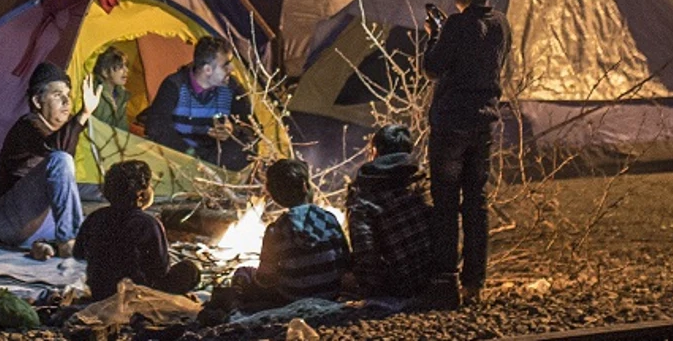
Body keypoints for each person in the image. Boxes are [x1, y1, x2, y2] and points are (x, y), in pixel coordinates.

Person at [422, 0, 510, 308]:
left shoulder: (457, 26)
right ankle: (475, 284)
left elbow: (433, 67)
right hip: (484, 121)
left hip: (451, 124)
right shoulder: (502, 23)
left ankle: (445, 282)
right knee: (477, 204)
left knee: (445, 205)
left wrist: (434, 36)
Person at [210, 159, 348, 311]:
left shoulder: (275, 230)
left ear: (273, 194)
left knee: (243, 272)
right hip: (331, 293)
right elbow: (345, 261)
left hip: (292, 298)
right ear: (304, 185)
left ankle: (235, 304)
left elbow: (265, 278)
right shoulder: (329, 218)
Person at [0, 62, 88, 259]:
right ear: (37, 100)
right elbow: (56, 150)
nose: (67, 102)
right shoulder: (28, 125)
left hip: (37, 224)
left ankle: (44, 246)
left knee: (97, 227)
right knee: (61, 159)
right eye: (58, 95)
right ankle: (66, 242)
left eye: (68, 95)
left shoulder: (58, 132)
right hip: (10, 220)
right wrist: (83, 114)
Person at [74, 160, 201, 298]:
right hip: (136, 294)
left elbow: (78, 253)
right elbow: (160, 270)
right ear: (140, 195)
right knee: (190, 270)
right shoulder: (148, 224)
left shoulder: (95, 217)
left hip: (100, 291)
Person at [141, 37, 254, 170]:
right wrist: (194, 158)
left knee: (248, 146)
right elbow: (156, 128)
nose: (232, 69)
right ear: (207, 70)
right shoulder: (175, 86)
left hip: (216, 162)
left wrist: (233, 130)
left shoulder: (232, 87)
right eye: (226, 64)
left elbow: (254, 129)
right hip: (180, 160)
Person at [345, 124, 431, 298]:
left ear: (375, 151)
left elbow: (365, 251)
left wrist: (368, 288)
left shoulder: (363, 191)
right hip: (435, 276)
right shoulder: (424, 181)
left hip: (397, 285)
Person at [90, 47, 132, 128]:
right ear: (105, 72)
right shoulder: (95, 93)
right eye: (120, 67)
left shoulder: (122, 95)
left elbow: (122, 128)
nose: (126, 70)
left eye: (126, 66)